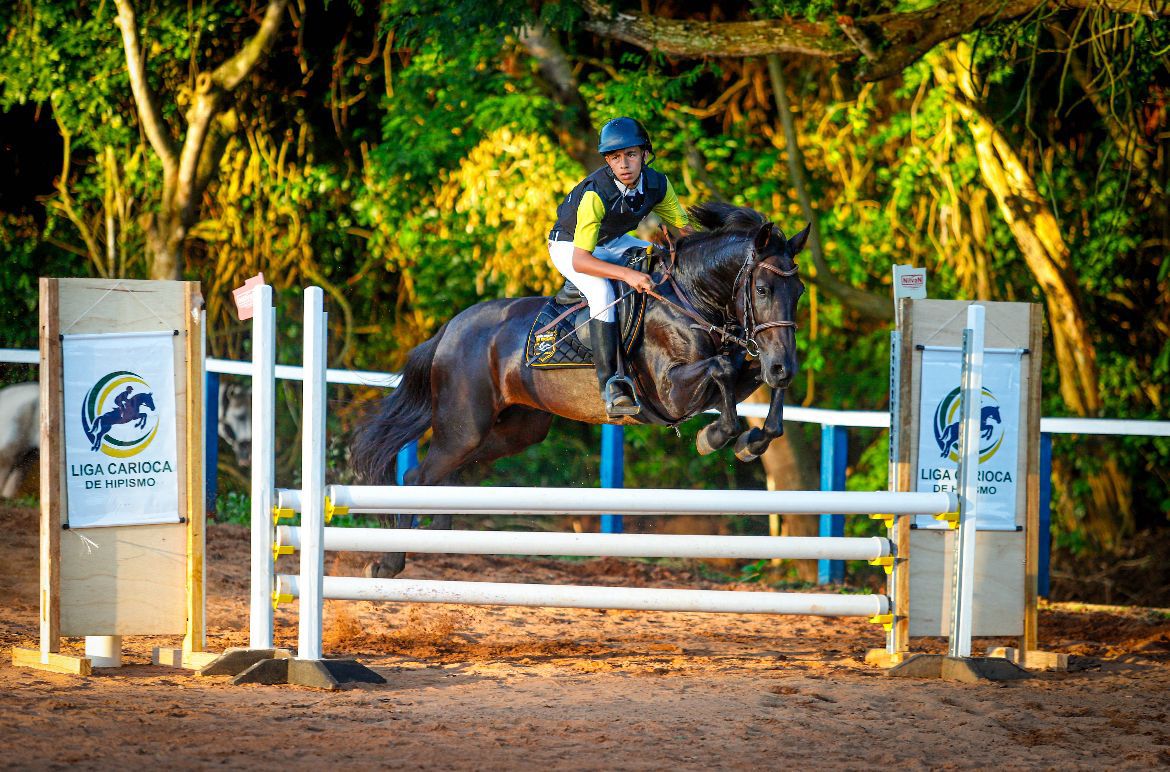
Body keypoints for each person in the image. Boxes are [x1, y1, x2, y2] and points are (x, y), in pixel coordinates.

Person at [547, 117, 690, 417]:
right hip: (570, 247)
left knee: (658, 255)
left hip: (610, 241)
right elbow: (581, 259)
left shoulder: (658, 184)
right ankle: (612, 383)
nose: (623, 164)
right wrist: (627, 274)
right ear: (607, 161)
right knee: (602, 291)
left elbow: (686, 229)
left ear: (645, 155)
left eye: (631, 155)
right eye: (614, 157)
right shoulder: (595, 194)